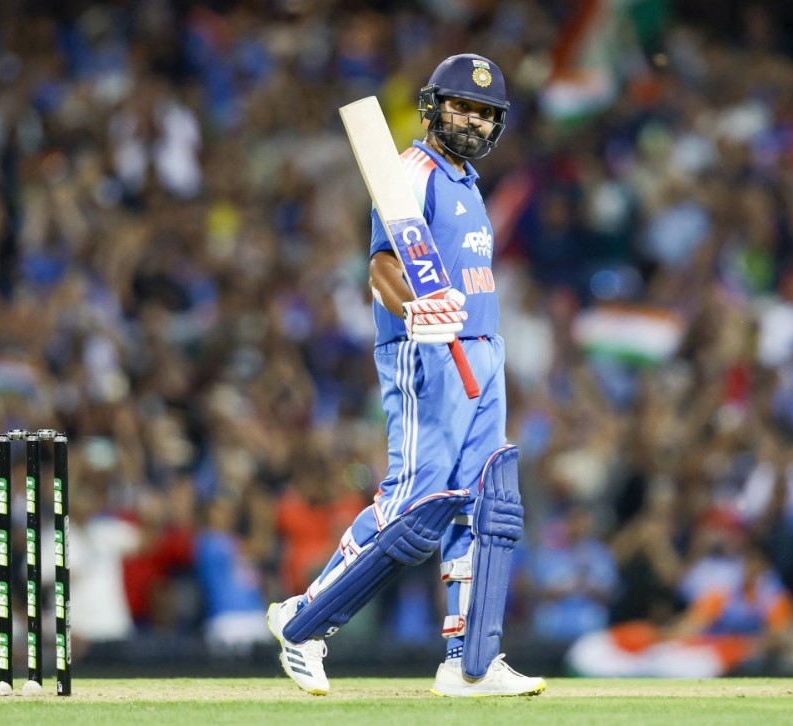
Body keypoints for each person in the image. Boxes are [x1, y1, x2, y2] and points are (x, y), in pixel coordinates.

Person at [266, 53, 545, 698]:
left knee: (485, 504)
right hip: (426, 355)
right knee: (414, 507)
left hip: (483, 351)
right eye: (462, 107)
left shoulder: (468, 183)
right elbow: (384, 270)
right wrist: (417, 308)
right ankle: (304, 623)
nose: (473, 121)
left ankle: (470, 662)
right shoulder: (410, 173)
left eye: (485, 113)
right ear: (431, 107)